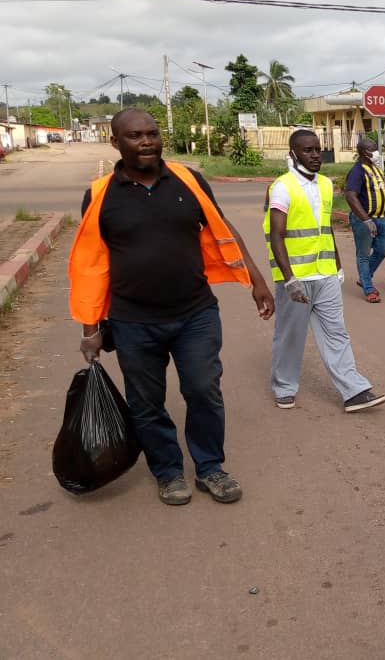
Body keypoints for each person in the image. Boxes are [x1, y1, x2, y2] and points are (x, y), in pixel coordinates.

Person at [70, 109, 274, 506]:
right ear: (115, 143)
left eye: (152, 133)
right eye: (135, 136)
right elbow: (91, 264)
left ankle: (211, 467)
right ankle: (167, 472)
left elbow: (222, 226)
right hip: (132, 321)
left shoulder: (188, 180)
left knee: (203, 391)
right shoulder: (98, 195)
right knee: (147, 402)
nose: (146, 142)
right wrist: (89, 328)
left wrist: (256, 280)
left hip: (195, 313)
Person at [265, 130, 385, 414]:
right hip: (296, 278)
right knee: (291, 335)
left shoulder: (324, 185)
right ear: (293, 153)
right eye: (308, 150)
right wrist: (289, 278)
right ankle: (284, 387)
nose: (316, 155)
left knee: (336, 333)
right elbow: (276, 235)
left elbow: (325, 228)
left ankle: (354, 390)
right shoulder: (282, 187)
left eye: (318, 149)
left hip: (326, 274)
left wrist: (338, 265)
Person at [344, 138, 385, 303]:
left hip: (381, 218)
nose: (376, 151)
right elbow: (350, 196)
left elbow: (379, 193)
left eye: (376, 147)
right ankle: (369, 288)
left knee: (384, 249)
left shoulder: (375, 169)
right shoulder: (357, 171)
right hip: (364, 220)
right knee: (363, 254)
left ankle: (364, 277)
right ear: (364, 152)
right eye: (372, 148)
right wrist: (366, 219)